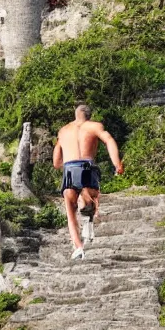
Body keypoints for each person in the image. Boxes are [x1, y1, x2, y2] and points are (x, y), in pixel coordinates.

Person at [53, 104, 124, 261]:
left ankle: (78, 247)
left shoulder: (63, 131)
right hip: (87, 166)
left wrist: (65, 159)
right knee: (93, 196)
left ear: (75, 114)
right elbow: (109, 140)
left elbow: (56, 162)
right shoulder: (95, 126)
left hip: (70, 168)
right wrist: (117, 163)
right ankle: (87, 209)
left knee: (70, 211)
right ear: (89, 116)